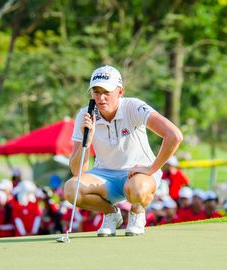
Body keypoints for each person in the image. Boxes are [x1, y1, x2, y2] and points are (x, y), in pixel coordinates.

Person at [64, 65, 183, 236]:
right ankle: (111, 214)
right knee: (71, 189)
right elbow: (78, 172)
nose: (101, 98)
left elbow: (174, 135)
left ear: (120, 92)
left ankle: (136, 212)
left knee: (138, 189)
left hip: (137, 175)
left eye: (107, 92)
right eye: (96, 92)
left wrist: (151, 168)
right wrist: (87, 142)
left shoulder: (133, 106)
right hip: (105, 178)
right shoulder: (85, 115)